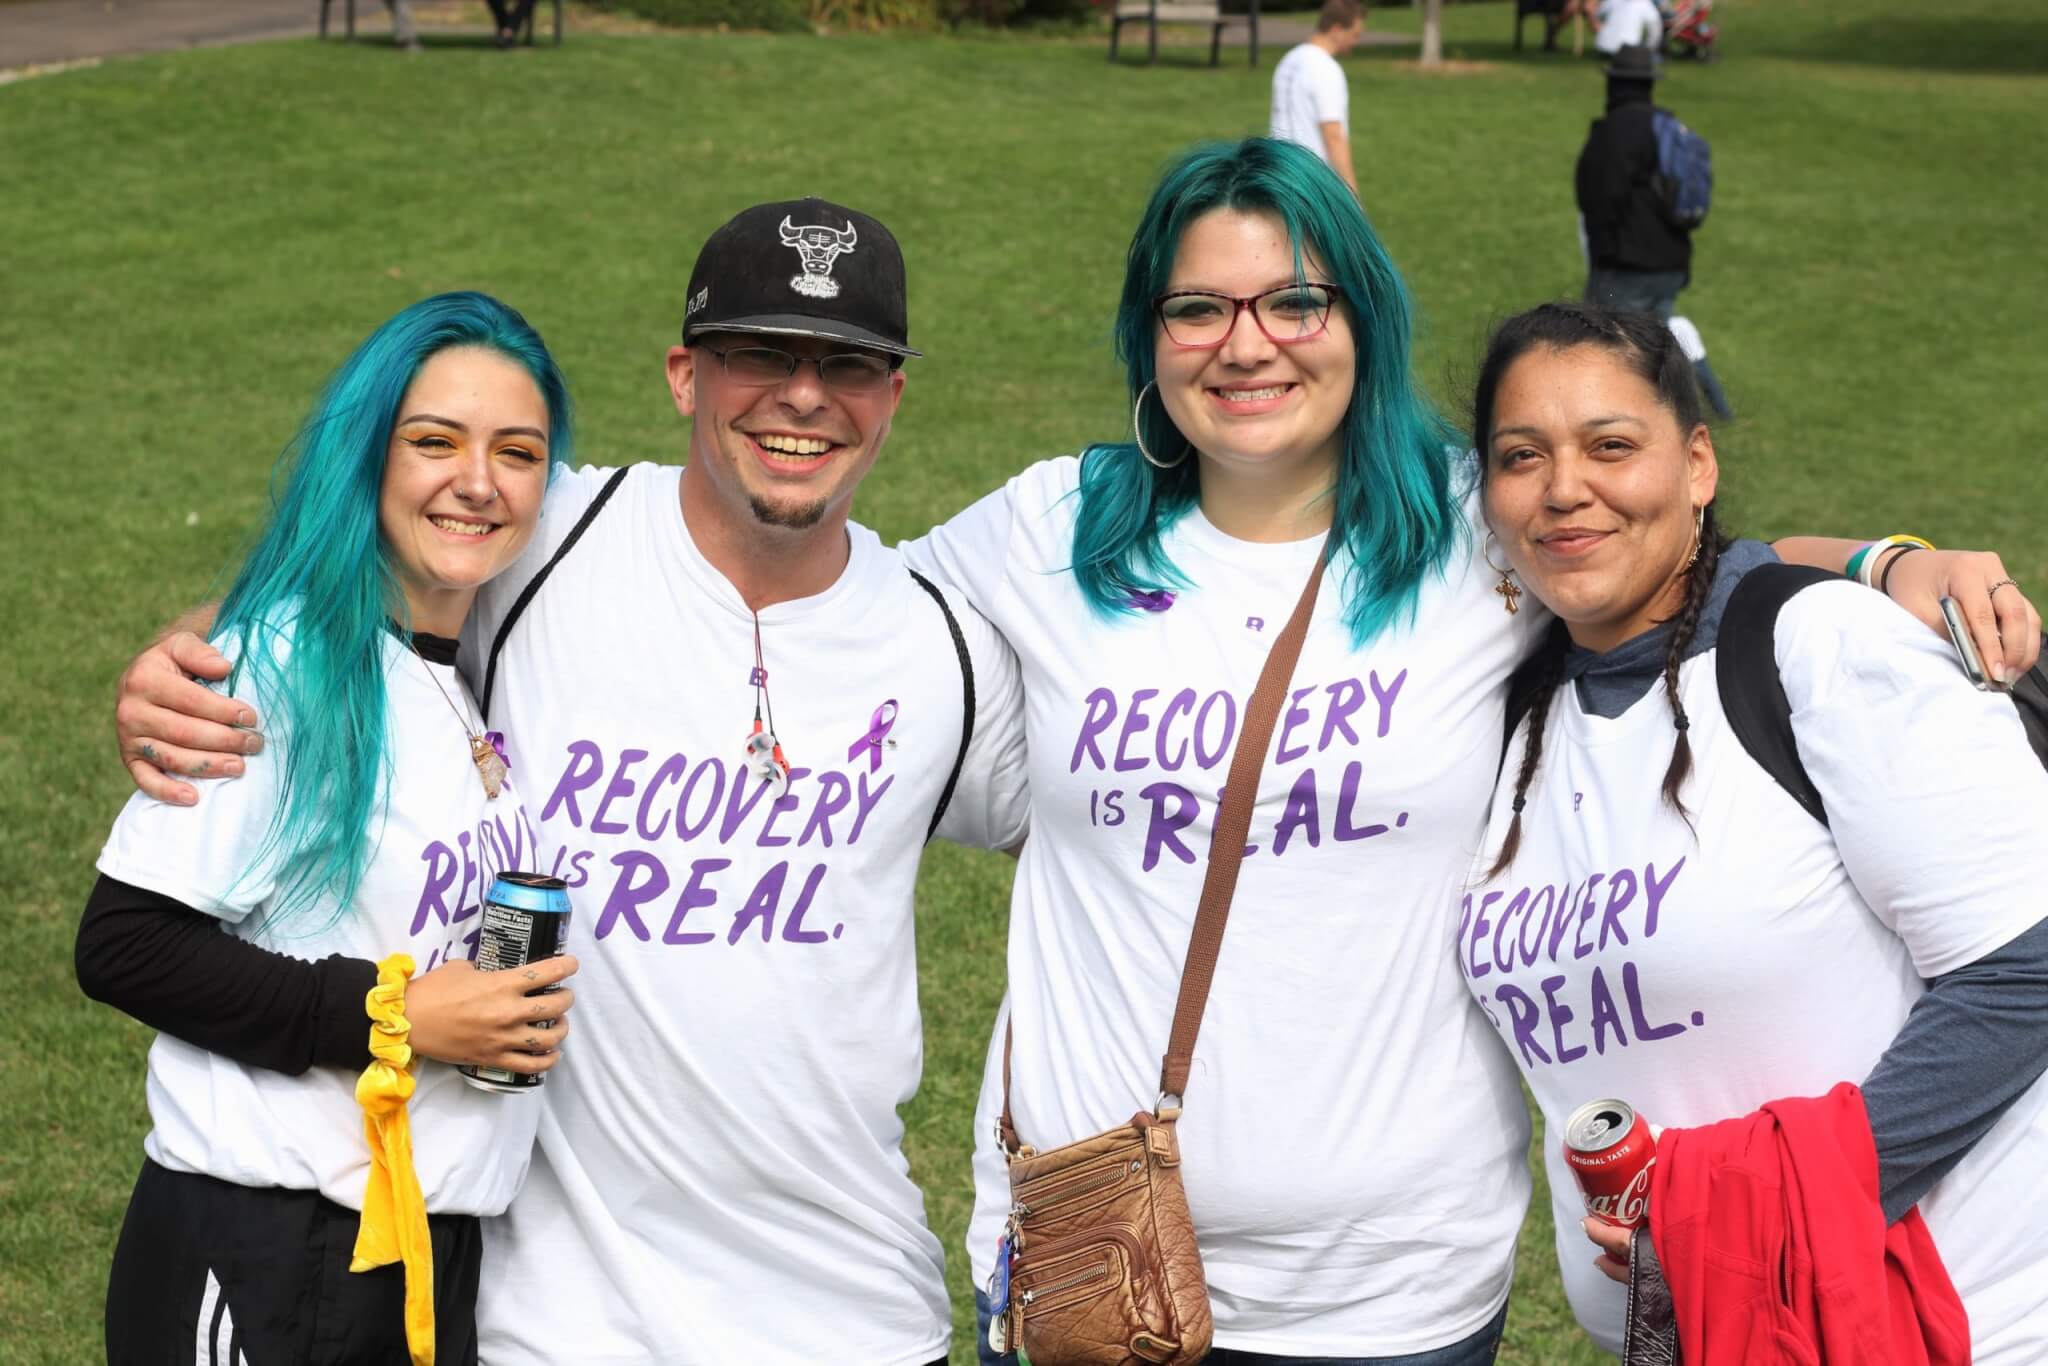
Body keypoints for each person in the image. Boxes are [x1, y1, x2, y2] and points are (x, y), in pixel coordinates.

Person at [897, 137, 2037, 1365]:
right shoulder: (1051, 525)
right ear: (1147, 332)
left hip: (1390, 1296)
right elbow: (841, 627)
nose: (1245, 342)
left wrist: (1882, 562)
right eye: (1196, 308)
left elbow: (1668, 551)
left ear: (1359, 319)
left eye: (1293, 300)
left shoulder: (1472, 525)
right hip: (1094, 1257)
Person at [113, 200, 1030, 1366]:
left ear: (892, 395)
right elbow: (344, 585)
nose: (803, 397)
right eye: (758, 355)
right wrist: (180, 664)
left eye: (847, 364)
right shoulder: (546, 540)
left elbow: (1125, 834)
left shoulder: (944, 647)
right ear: (683, 374)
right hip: (554, 1322)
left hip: (853, 1312)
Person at [1460, 302, 2048, 1360]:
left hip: (1950, 1319)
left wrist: (1748, 1213)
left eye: (1609, 445)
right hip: (1714, 1336)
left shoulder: (1818, 647)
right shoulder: (1506, 711)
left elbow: (2024, 964)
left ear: (1695, 464)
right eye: (1518, 455)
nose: (1561, 487)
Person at [78, 292, 583, 1364]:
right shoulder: (280, 668)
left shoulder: (459, 675)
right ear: (368, 455)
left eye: (518, 451)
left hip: (417, 1260)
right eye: (433, 441)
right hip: (264, 1247)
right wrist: (391, 1017)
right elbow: (123, 944)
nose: (478, 481)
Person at [1269, 0, 1366, 199]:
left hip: (1277, 170)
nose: (1355, 41)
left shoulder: (1289, 60)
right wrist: (1351, 194)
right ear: (1337, 29)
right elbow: (1333, 134)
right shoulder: (1325, 68)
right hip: (1310, 180)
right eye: (1354, 34)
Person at [1592, 0, 1662, 56]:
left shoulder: (1611, 1)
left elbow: (1597, 15)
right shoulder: (1644, 3)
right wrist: (1649, 49)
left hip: (1602, 48)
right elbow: (1656, 28)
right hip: (1628, 51)